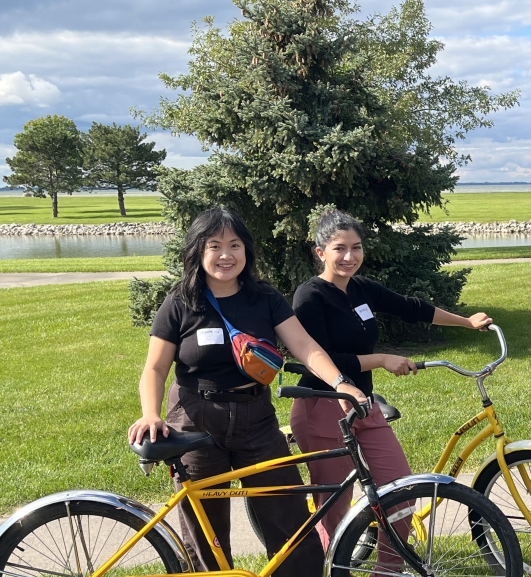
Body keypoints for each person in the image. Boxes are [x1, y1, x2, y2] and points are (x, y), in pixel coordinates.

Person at [128, 208, 350, 574]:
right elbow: (155, 367)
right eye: (214, 245)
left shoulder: (264, 298)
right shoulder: (181, 301)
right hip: (195, 419)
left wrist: (342, 384)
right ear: (199, 251)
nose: (226, 255)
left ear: (246, 251)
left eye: (235, 245)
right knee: (205, 531)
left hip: (256, 420)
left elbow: (306, 348)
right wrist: (150, 413)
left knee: (289, 518)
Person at [290, 208, 493, 551]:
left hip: (363, 405)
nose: (349, 256)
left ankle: (390, 570)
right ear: (320, 252)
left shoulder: (361, 289)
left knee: (401, 491)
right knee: (336, 509)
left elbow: (412, 308)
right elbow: (321, 359)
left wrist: (467, 322)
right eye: (340, 248)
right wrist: (382, 360)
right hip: (321, 408)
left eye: (356, 247)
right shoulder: (309, 297)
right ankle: (334, 570)